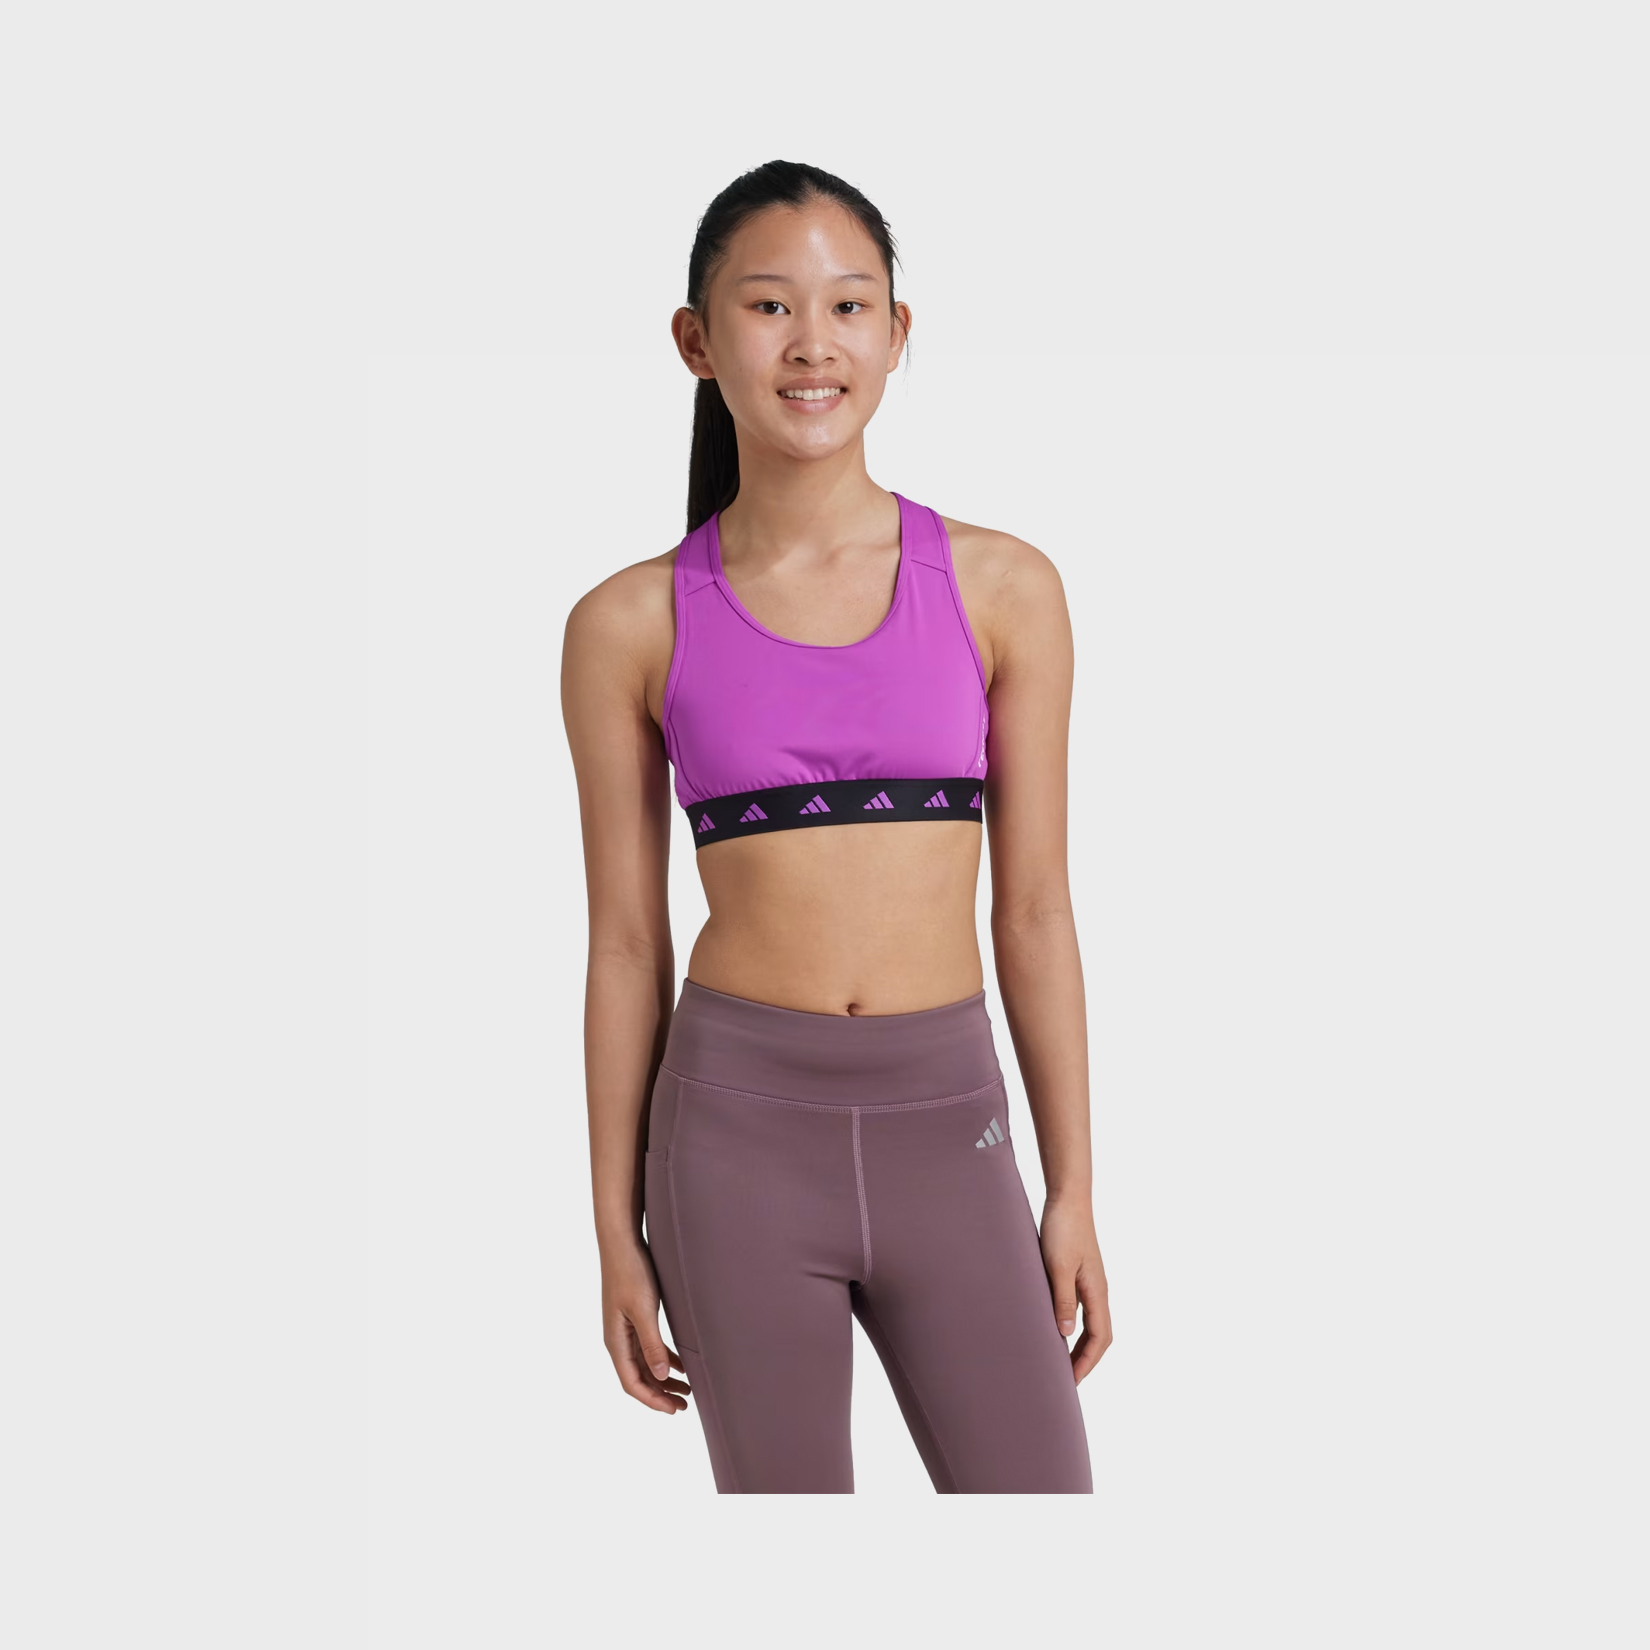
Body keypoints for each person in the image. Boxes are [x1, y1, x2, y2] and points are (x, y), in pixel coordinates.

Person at [561, 160, 1110, 1493]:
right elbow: (626, 944)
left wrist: (1072, 1186)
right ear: (697, 341)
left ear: (896, 333)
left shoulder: (1002, 588)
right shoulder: (627, 622)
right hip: (733, 1143)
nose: (812, 342)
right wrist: (613, 1231)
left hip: (952, 1128)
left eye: (849, 305)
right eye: (768, 306)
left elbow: (1035, 908)